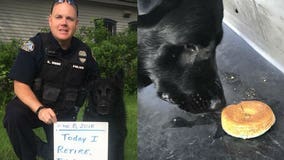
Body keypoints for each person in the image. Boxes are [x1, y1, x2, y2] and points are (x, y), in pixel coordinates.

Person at [3, 0, 99, 159]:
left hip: (64, 114)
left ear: (76, 23)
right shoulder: (35, 45)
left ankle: (50, 152)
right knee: (14, 115)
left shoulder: (84, 52)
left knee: (64, 155)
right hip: (34, 108)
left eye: (69, 18)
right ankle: (32, 155)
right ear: (50, 20)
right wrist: (40, 109)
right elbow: (19, 85)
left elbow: (96, 85)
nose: (64, 23)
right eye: (59, 17)